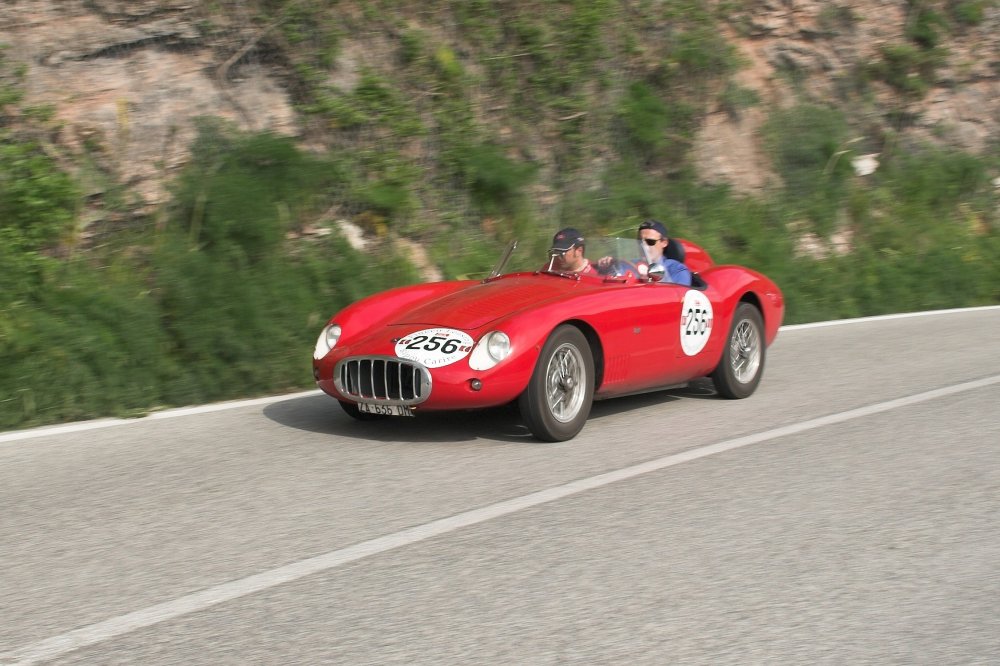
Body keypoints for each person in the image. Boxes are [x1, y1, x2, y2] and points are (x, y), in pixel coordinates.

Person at [598, 219, 692, 285]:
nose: (643, 246)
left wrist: (656, 281)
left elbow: (679, 295)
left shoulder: (676, 269)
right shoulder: (630, 265)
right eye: (640, 241)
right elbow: (615, 280)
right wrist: (606, 268)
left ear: (664, 242)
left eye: (650, 242)